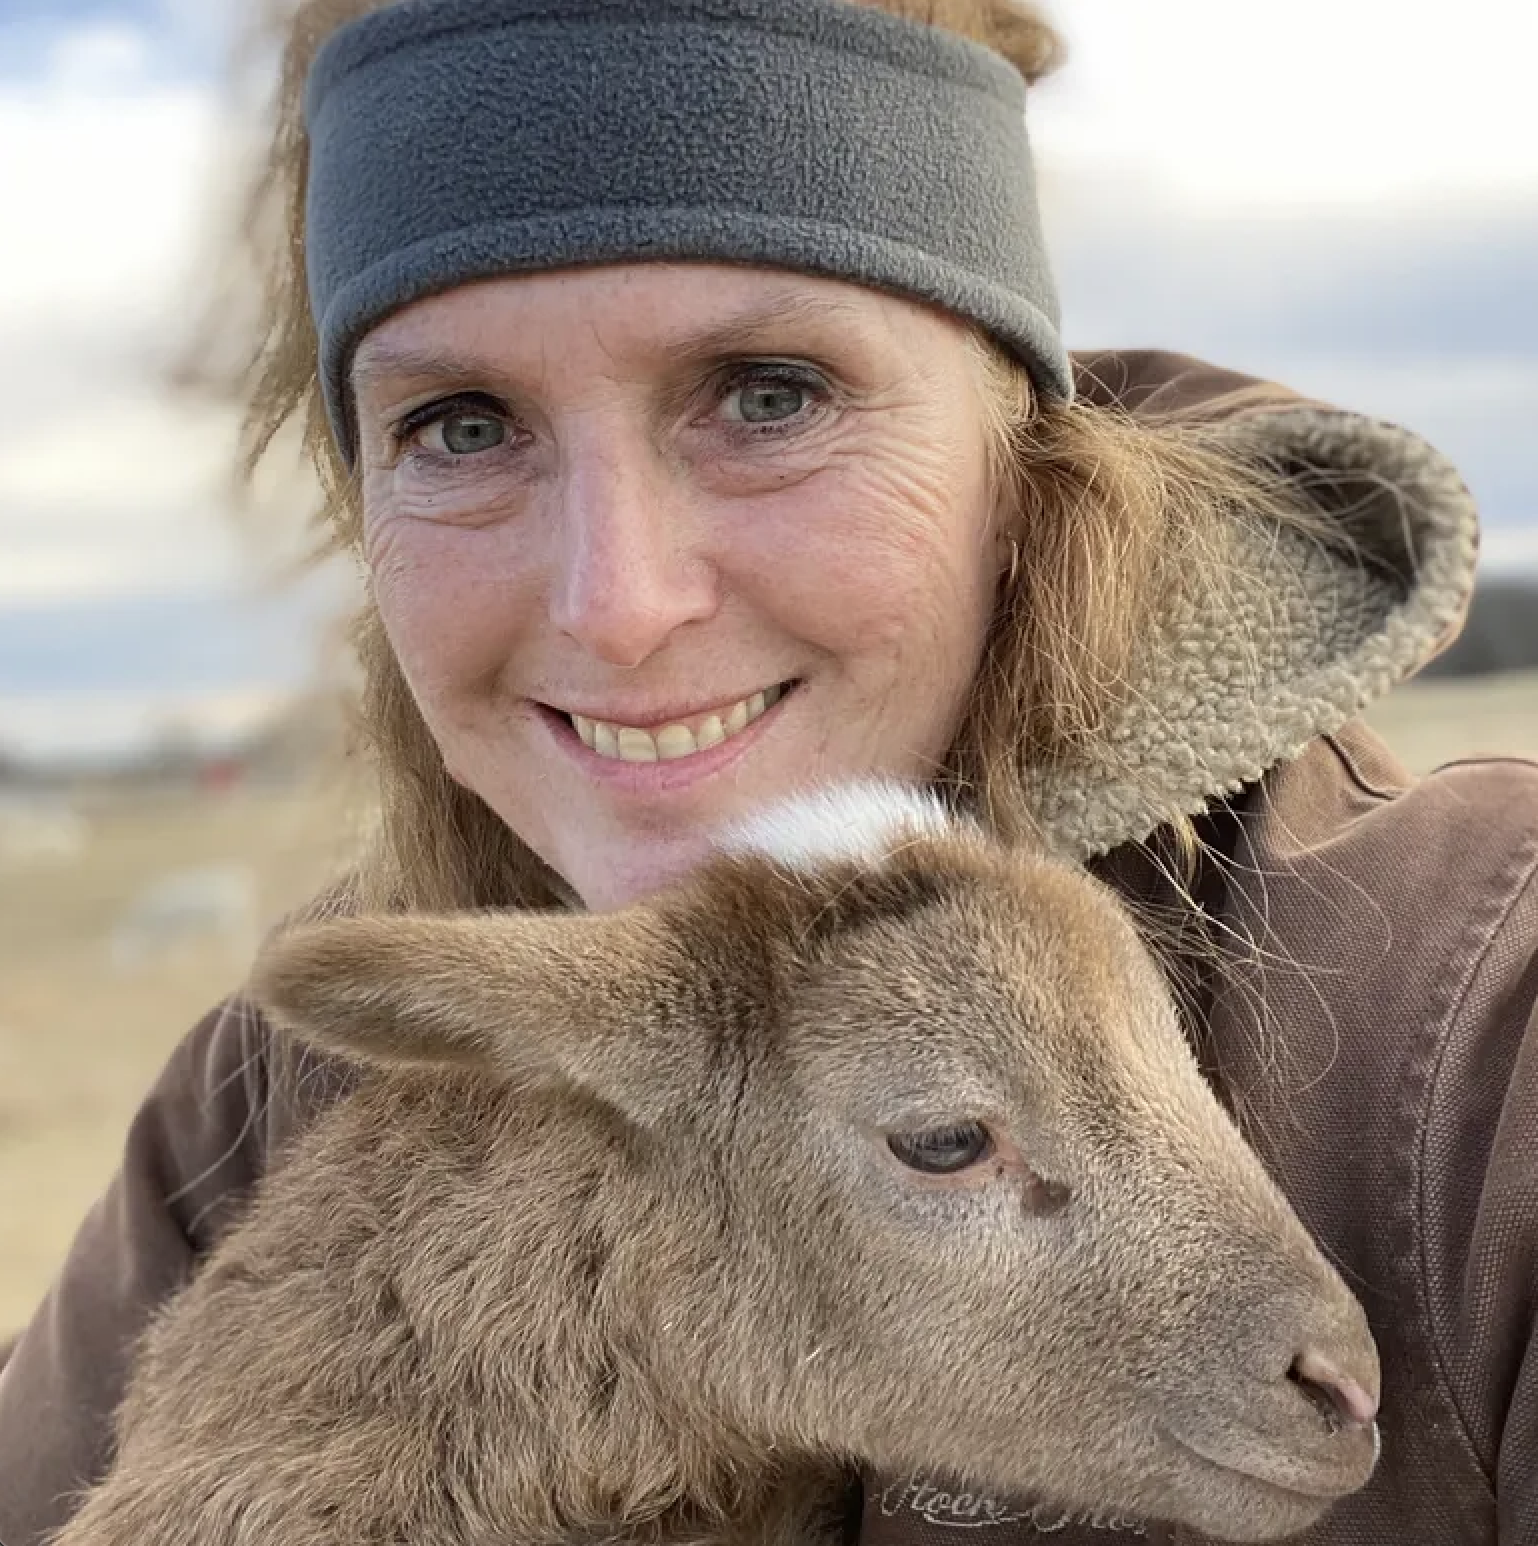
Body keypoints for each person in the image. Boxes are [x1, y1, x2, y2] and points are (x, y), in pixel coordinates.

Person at [1, 0, 1533, 1540]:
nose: (617, 603)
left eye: (770, 392)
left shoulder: (1479, 1035)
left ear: (1018, 452)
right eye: (460, 427)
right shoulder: (277, 1090)